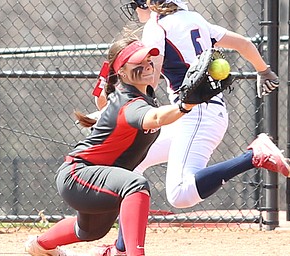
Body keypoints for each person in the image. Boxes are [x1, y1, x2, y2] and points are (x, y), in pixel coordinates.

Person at [88, 0, 290, 255]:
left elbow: (151, 75)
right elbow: (242, 43)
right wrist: (264, 70)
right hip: (198, 114)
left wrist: (113, 112)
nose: (135, 10)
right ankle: (121, 248)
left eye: (135, 5)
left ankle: (253, 156)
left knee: (180, 194)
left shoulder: (158, 25)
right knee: (129, 163)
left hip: (196, 115)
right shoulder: (194, 18)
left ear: (148, 3)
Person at [25, 34, 198, 256]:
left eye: (148, 59)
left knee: (89, 231)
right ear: (123, 73)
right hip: (78, 174)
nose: (147, 65)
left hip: (95, 176)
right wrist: (185, 105)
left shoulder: (143, 95)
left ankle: (39, 245)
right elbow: (154, 118)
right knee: (136, 184)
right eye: (138, 62)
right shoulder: (129, 102)